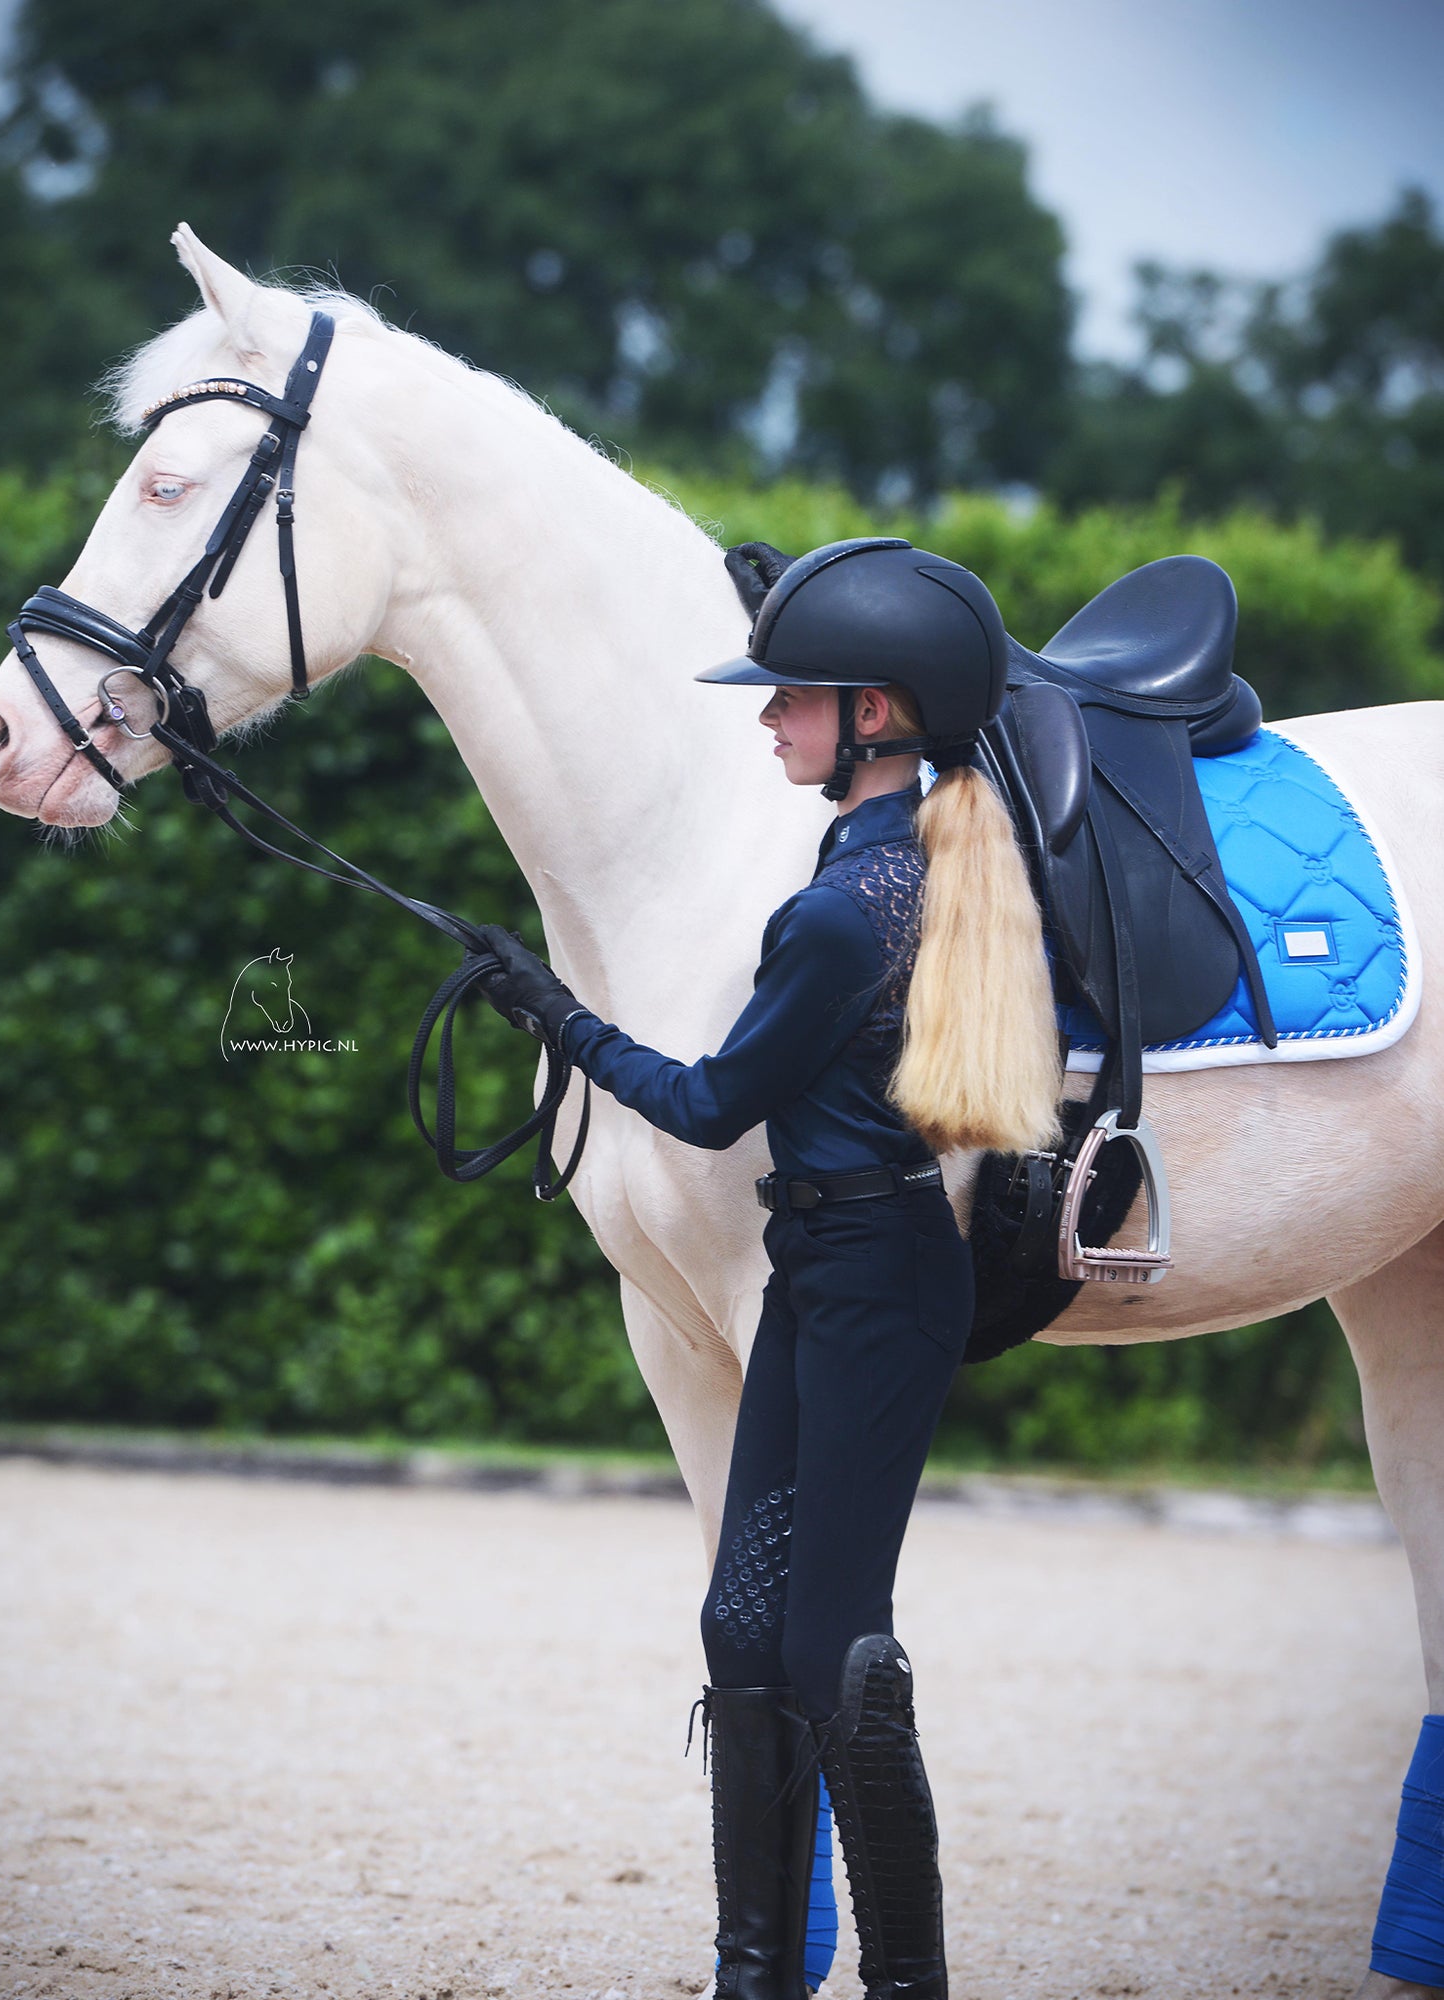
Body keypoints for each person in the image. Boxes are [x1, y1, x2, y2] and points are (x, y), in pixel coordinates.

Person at [480, 537, 1062, 2000]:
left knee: (833, 1643)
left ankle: (906, 1981)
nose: (766, 718)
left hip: (874, 1284)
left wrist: (553, 1013)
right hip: (822, 1264)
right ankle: (754, 1977)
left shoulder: (836, 912)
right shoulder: (899, 856)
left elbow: (705, 1104)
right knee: (741, 1622)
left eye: (792, 696)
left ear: (875, 713)